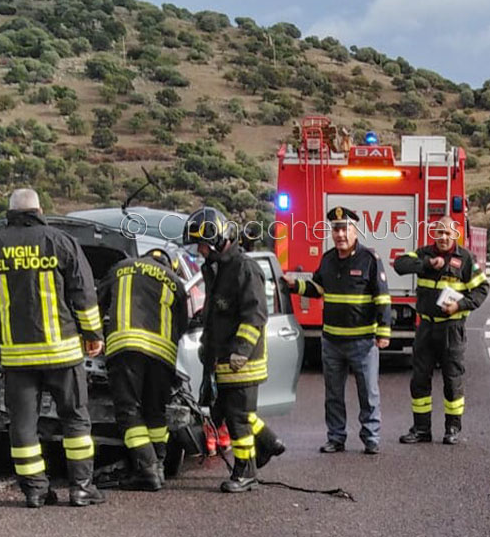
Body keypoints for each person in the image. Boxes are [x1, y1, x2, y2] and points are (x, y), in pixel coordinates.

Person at [0, 189, 106, 508]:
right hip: (63, 353)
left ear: (10, 213)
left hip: (18, 358)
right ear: (39, 210)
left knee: (22, 425)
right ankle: (81, 488)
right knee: (75, 419)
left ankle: (34, 490)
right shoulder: (60, 242)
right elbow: (83, 292)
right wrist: (93, 334)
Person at [182, 207, 285, 493]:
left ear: (217, 239)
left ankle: (245, 472)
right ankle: (268, 442)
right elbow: (216, 315)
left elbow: (255, 314)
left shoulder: (243, 268)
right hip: (223, 358)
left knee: (238, 418)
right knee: (232, 412)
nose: (200, 250)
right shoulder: (217, 269)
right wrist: (208, 348)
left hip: (243, 361)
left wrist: (241, 349)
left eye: (202, 244)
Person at [284, 206, 391, 455]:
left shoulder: (369, 259)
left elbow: (382, 297)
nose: (340, 234)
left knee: (368, 393)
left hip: (362, 342)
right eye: (336, 230)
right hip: (332, 341)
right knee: (333, 395)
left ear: (355, 231)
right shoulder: (328, 259)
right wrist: (294, 285)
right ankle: (335, 437)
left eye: (345, 229)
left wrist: (384, 332)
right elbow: (318, 289)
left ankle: (371, 437)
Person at [393, 216, 489, 445]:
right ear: (434, 234)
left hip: (451, 329)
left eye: (448, 233)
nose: (443, 237)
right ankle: (421, 429)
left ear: (455, 235)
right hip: (426, 327)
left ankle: (452, 428)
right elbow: (400, 265)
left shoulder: (465, 258)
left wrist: (460, 305)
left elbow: (482, 289)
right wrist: (427, 264)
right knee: (419, 379)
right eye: (439, 233)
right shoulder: (424, 253)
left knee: (452, 380)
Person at [98, 248, 188, 491]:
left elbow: (96, 305)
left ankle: (147, 468)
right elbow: (183, 325)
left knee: (128, 410)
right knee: (155, 412)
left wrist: (94, 337)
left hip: (126, 347)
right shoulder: (176, 282)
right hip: (163, 355)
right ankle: (158, 467)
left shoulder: (120, 268)